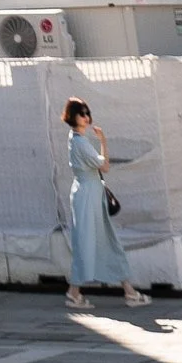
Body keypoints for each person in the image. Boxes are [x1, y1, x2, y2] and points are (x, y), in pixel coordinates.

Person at [63, 98, 147, 314]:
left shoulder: (75, 138)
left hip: (87, 194)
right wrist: (104, 142)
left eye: (87, 112)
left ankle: (127, 290)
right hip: (88, 197)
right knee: (90, 243)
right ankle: (75, 292)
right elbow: (106, 166)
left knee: (102, 241)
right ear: (73, 116)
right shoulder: (81, 142)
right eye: (82, 113)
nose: (86, 117)